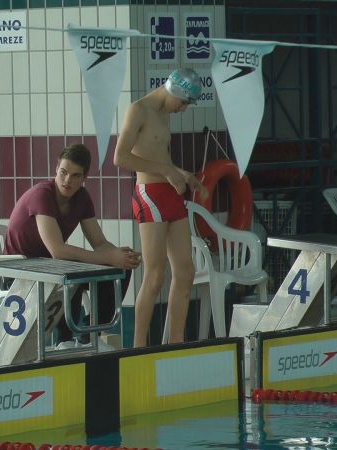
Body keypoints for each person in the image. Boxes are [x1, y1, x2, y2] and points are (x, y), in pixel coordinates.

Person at [4, 143, 141, 348]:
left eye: (75, 176)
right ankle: (64, 339)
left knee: (119, 270)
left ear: (84, 177)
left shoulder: (82, 198)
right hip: (18, 269)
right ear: (56, 169)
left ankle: (90, 335)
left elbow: (99, 243)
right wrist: (108, 257)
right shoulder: (42, 195)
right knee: (71, 272)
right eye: (63, 172)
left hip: (50, 265)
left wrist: (120, 256)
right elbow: (57, 250)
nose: (67, 180)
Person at [112, 68, 209, 348]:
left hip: (169, 194)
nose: (183, 109)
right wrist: (166, 171)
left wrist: (182, 173)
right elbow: (120, 157)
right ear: (174, 91)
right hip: (150, 196)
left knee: (185, 271)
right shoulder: (138, 110)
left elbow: (159, 156)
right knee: (155, 276)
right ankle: (138, 347)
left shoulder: (164, 112)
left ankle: (175, 343)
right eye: (183, 103)